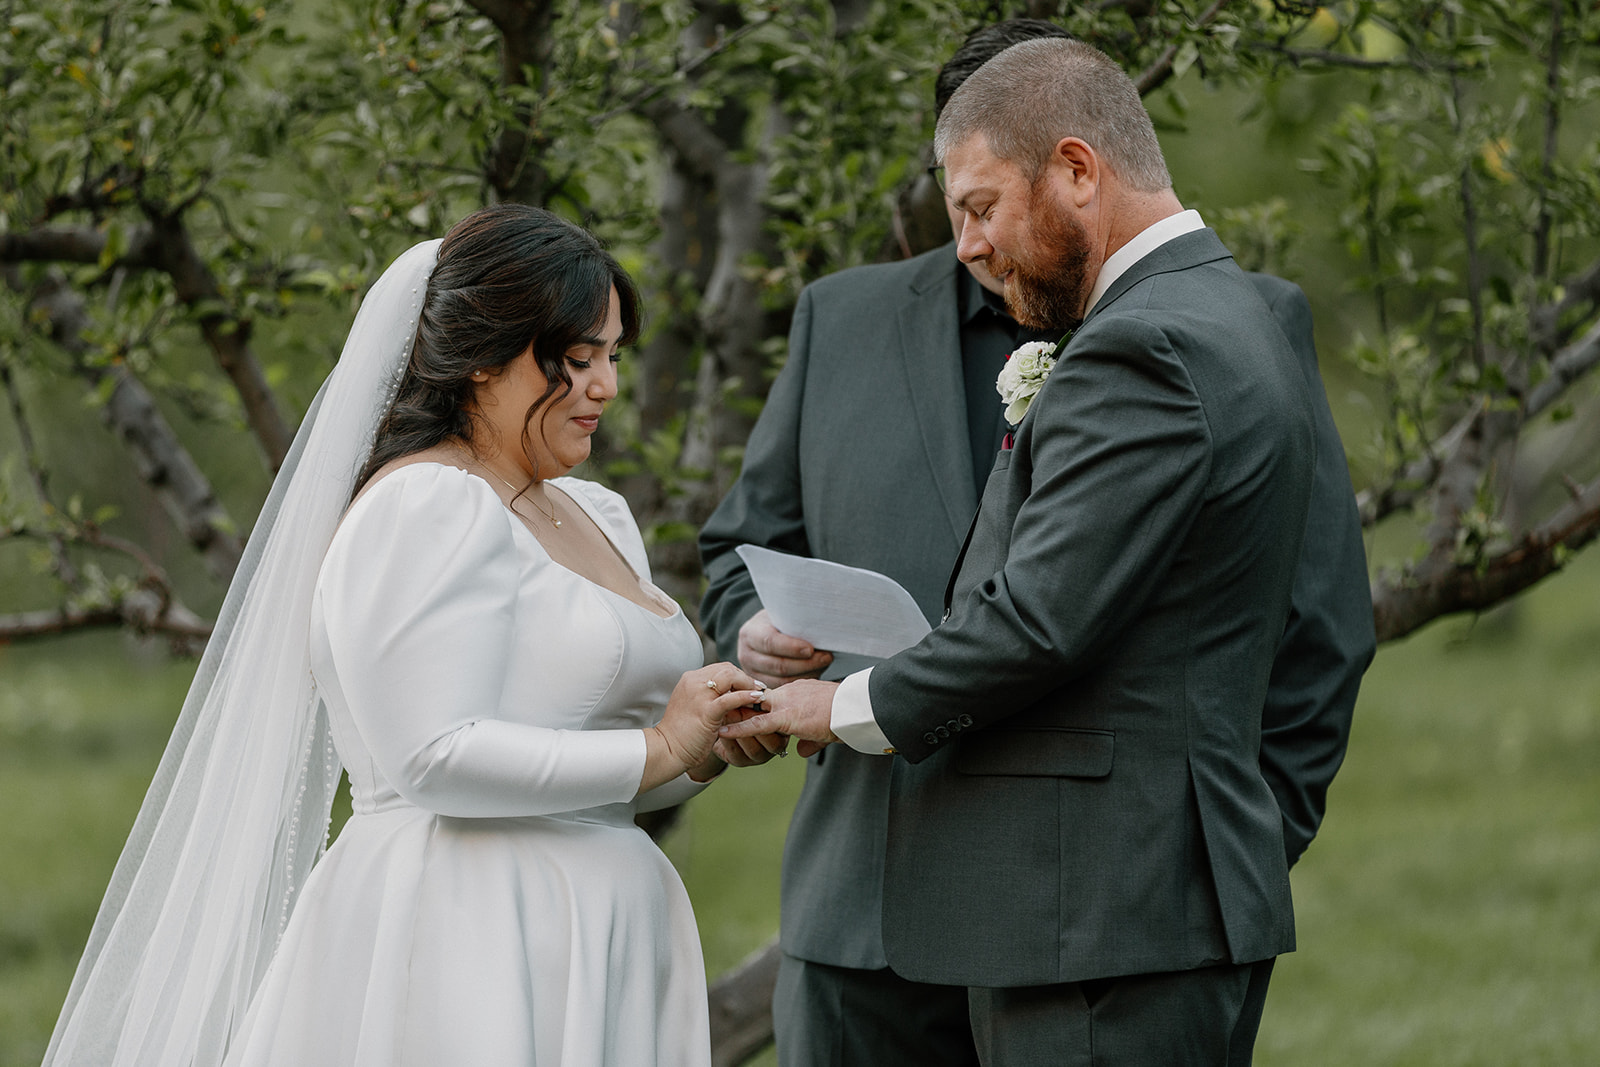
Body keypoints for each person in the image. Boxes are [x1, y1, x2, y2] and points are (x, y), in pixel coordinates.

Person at [698, 19, 1373, 1067]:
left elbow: (1041, 616)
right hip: (898, 907)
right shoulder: (1206, 313)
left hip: (1094, 915)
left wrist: (1222, 831)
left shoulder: (1151, 341)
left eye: (978, 206)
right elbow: (745, 540)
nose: (964, 243)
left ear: (1074, 168)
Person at [44, 204, 768, 1067]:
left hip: (599, 929)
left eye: (611, 355)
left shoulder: (599, 513)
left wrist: (701, 752)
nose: (605, 386)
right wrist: (658, 744)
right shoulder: (426, 503)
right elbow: (431, 753)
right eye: (576, 360)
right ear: (483, 362)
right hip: (468, 930)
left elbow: (599, 786)